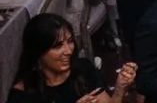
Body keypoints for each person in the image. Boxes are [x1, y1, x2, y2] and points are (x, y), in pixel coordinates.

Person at [9, 13, 137, 103]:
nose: (69, 51)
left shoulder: (83, 69)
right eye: (58, 46)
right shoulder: (22, 95)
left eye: (70, 41)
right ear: (38, 52)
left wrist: (119, 90)